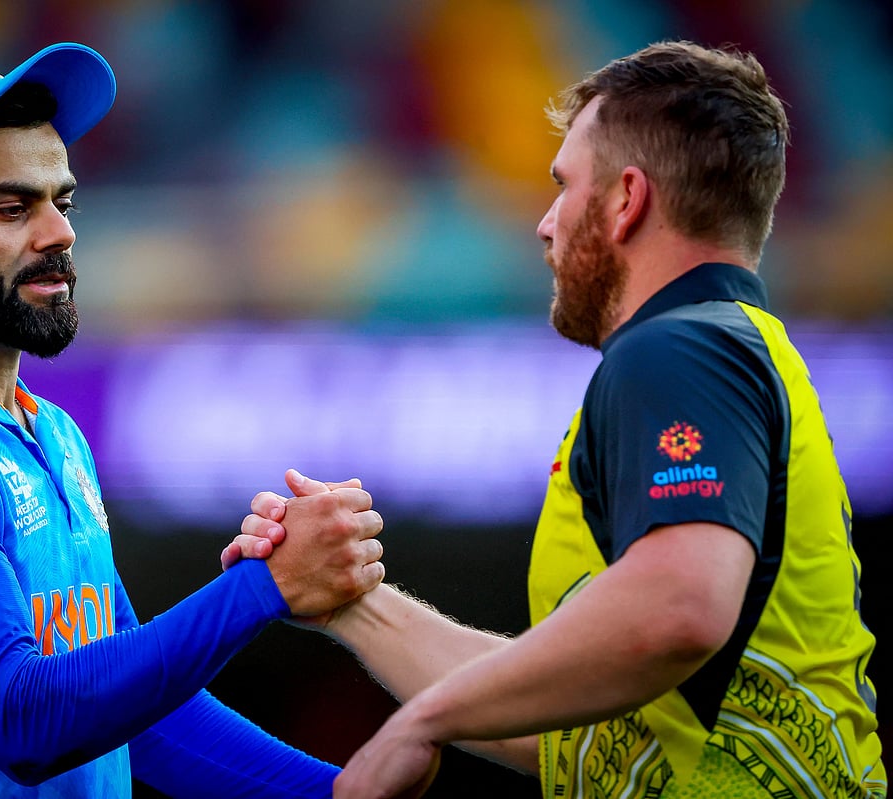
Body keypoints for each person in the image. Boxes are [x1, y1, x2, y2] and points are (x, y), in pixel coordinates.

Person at [230, 40, 886, 798]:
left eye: (563, 185)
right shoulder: (739, 346)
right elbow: (582, 737)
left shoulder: (678, 349)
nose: (544, 224)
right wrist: (352, 602)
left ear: (625, 199)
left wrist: (421, 720)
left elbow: (680, 608)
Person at [0, 42, 390, 799]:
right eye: (11, 208)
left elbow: (138, 716)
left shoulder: (54, 433)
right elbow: (24, 719)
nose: (58, 234)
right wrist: (262, 589)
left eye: (60, 203)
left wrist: (331, 793)